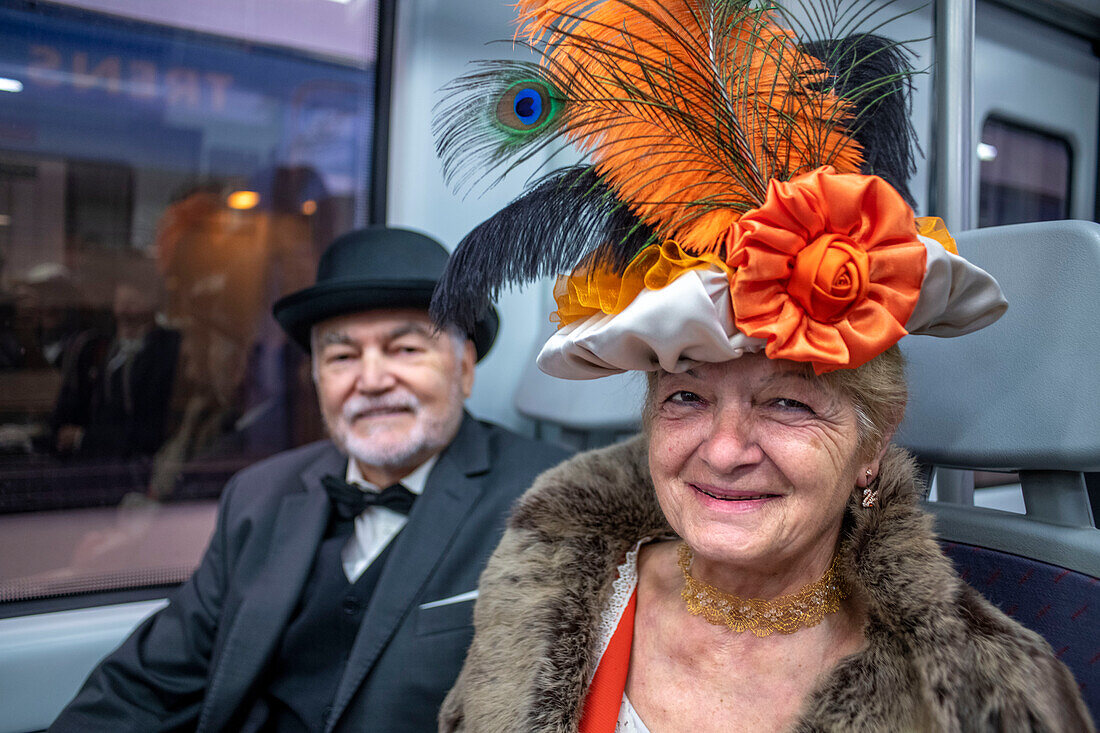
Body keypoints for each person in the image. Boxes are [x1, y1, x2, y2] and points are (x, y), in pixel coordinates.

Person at [427, 1, 1095, 730]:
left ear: (873, 442)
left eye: (788, 403)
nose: (722, 450)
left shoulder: (986, 696)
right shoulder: (547, 590)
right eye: (685, 397)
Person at [48, 226, 571, 732]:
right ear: (318, 378)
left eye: (406, 349)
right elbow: (146, 686)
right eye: (342, 356)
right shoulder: (258, 496)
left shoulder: (550, 500)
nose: (371, 380)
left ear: (463, 369)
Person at [52, 280, 181, 458]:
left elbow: (148, 432)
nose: (124, 313)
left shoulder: (163, 353)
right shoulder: (100, 351)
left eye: (132, 305)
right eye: (120, 304)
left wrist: (84, 438)